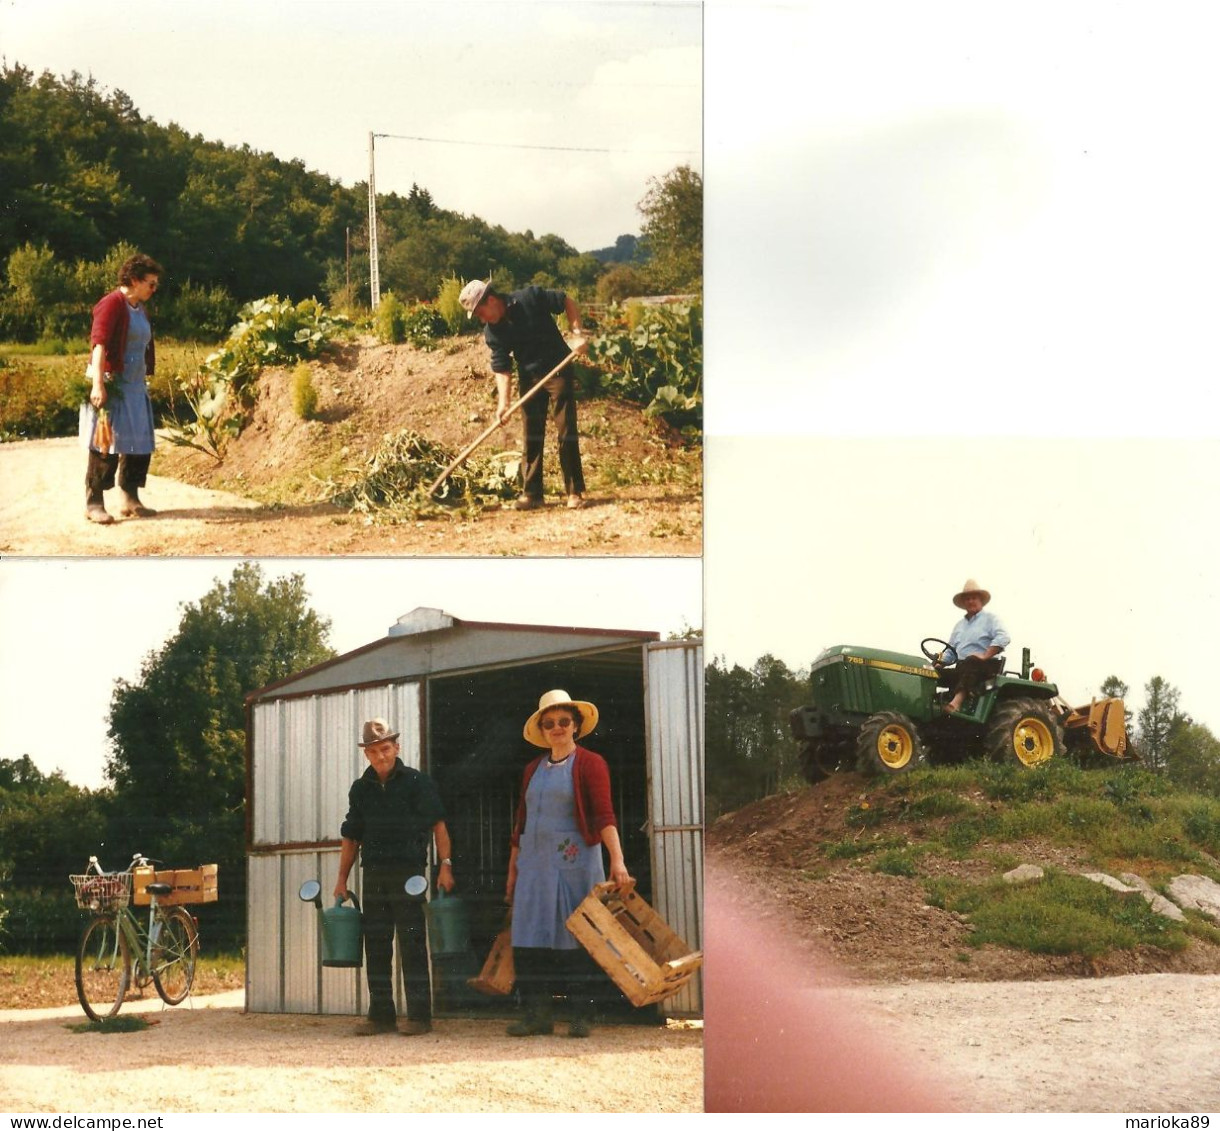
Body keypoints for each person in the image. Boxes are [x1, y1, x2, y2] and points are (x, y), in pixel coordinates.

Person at [505, 689, 632, 1038]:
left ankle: (581, 1016)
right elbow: (520, 825)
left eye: (564, 721)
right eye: (550, 723)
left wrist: (617, 861)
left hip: (574, 865)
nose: (557, 728)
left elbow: (605, 815)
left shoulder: (591, 764)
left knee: (578, 938)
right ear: (542, 730)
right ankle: (537, 1016)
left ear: (575, 725)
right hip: (533, 866)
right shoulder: (532, 769)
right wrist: (512, 871)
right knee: (528, 939)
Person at [335, 717, 455, 1036]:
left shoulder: (417, 782)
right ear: (366, 755)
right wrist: (341, 880)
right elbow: (351, 836)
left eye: (385, 749)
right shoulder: (360, 789)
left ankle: (419, 1016)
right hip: (373, 873)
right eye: (373, 752)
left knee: (412, 941)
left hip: (409, 874)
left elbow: (439, 826)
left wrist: (446, 864)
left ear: (396, 747)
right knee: (375, 944)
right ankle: (381, 1016)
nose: (381, 757)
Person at [458, 279, 589, 511]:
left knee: (566, 430)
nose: (481, 318)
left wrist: (577, 333)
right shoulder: (493, 331)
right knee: (532, 434)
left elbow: (566, 300)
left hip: (558, 368)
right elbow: (502, 367)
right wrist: (503, 403)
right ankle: (532, 494)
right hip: (530, 377)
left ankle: (574, 491)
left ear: (491, 300)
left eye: (480, 312)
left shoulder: (531, 297)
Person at [83, 253, 163, 525]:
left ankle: (130, 498)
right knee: (105, 443)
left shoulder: (140, 308)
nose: (154, 289)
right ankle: (94, 502)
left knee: (139, 442)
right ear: (134, 280)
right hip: (113, 384)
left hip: (135, 385)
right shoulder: (112, 304)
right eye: (150, 283)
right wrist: (98, 385)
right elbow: (100, 344)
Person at [942, 578, 1011, 713]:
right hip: (962, 667)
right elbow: (950, 651)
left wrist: (985, 655)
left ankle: (957, 702)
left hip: (984, 666)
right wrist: (939, 662)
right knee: (933, 673)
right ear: (963, 602)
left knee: (971, 660)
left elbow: (1004, 637)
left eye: (974, 598)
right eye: (967, 599)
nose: (970, 601)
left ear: (980, 600)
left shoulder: (990, 619)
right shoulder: (959, 626)